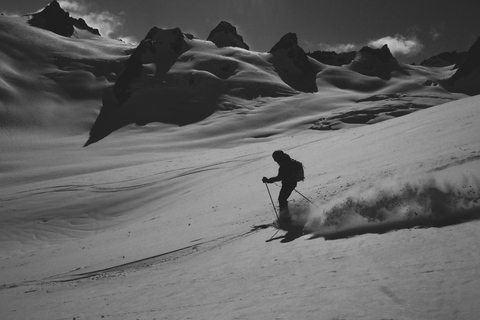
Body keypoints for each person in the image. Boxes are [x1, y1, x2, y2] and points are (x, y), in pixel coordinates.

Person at [262, 150, 298, 222]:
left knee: (282, 199)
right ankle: (285, 217)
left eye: (275, 159)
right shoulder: (287, 162)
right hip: (290, 183)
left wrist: (268, 180)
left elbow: (279, 177)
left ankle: (285, 218)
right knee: (282, 199)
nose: (275, 161)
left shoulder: (285, 164)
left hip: (288, 184)